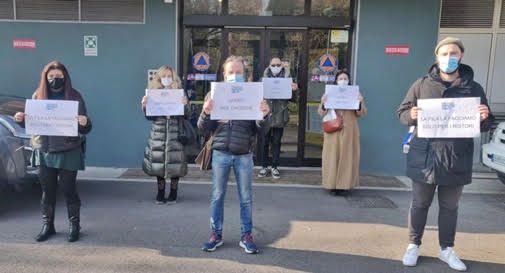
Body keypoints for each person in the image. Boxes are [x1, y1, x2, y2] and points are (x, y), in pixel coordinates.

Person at [397, 37, 492, 271]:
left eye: (454, 53)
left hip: (456, 158)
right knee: (419, 204)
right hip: (425, 157)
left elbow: (485, 124)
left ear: (461, 56)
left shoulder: (474, 88)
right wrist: (413, 115)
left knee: (450, 208)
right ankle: (413, 245)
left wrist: (484, 117)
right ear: (436, 56)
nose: (449, 58)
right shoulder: (421, 85)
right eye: (444, 53)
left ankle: (446, 249)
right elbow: (401, 113)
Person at [198, 56, 270, 254]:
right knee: (217, 196)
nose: (235, 76)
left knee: (246, 198)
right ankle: (215, 235)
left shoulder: (253, 95)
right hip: (220, 153)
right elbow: (203, 129)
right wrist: (205, 113)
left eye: (238, 72)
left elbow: (260, 130)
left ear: (244, 75)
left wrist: (264, 116)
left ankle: (246, 236)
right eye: (231, 72)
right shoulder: (213, 96)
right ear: (224, 74)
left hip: (243, 154)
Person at [14, 61, 92, 242]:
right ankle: (47, 226)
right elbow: (31, 124)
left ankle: (74, 225)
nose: (55, 80)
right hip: (44, 150)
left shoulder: (74, 97)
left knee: (69, 190)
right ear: (45, 78)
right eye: (51, 77)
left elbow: (86, 127)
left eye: (58, 76)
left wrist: (84, 122)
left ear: (65, 77)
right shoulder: (37, 96)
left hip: (68, 150)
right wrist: (20, 120)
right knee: (47, 192)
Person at [141, 65, 189, 204]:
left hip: (175, 132)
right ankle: (160, 192)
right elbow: (149, 117)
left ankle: (173, 193)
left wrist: (185, 105)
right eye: (164, 76)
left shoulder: (180, 93)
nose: (166, 79)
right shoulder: (153, 93)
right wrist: (144, 106)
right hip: (159, 132)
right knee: (159, 163)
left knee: (175, 163)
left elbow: (187, 115)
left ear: (174, 78)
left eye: (169, 76)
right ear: (159, 78)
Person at [318, 69, 366, 195]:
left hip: (349, 131)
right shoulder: (330, 92)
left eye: (345, 79)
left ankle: (344, 185)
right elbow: (321, 112)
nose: (343, 81)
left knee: (347, 157)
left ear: (349, 81)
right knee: (332, 157)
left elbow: (361, 113)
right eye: (340, 79)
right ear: (336, 81)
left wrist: (360, 102)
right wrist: (323, 103)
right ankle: (331, 184)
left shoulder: (354, 93)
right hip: (333, 130)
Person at [257, 57, 298, 179]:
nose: (275, 67)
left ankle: (274, 167)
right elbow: (257, 95)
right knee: (264, 142)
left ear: (282, 65)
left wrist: (294, 90)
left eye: (278, 65)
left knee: (276, 142)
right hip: (266, 116)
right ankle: (264, 167)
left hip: (280, 115)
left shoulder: (288, 78)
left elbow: (293, 100)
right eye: (273, 65)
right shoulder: (263, 79)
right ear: (269, 66)